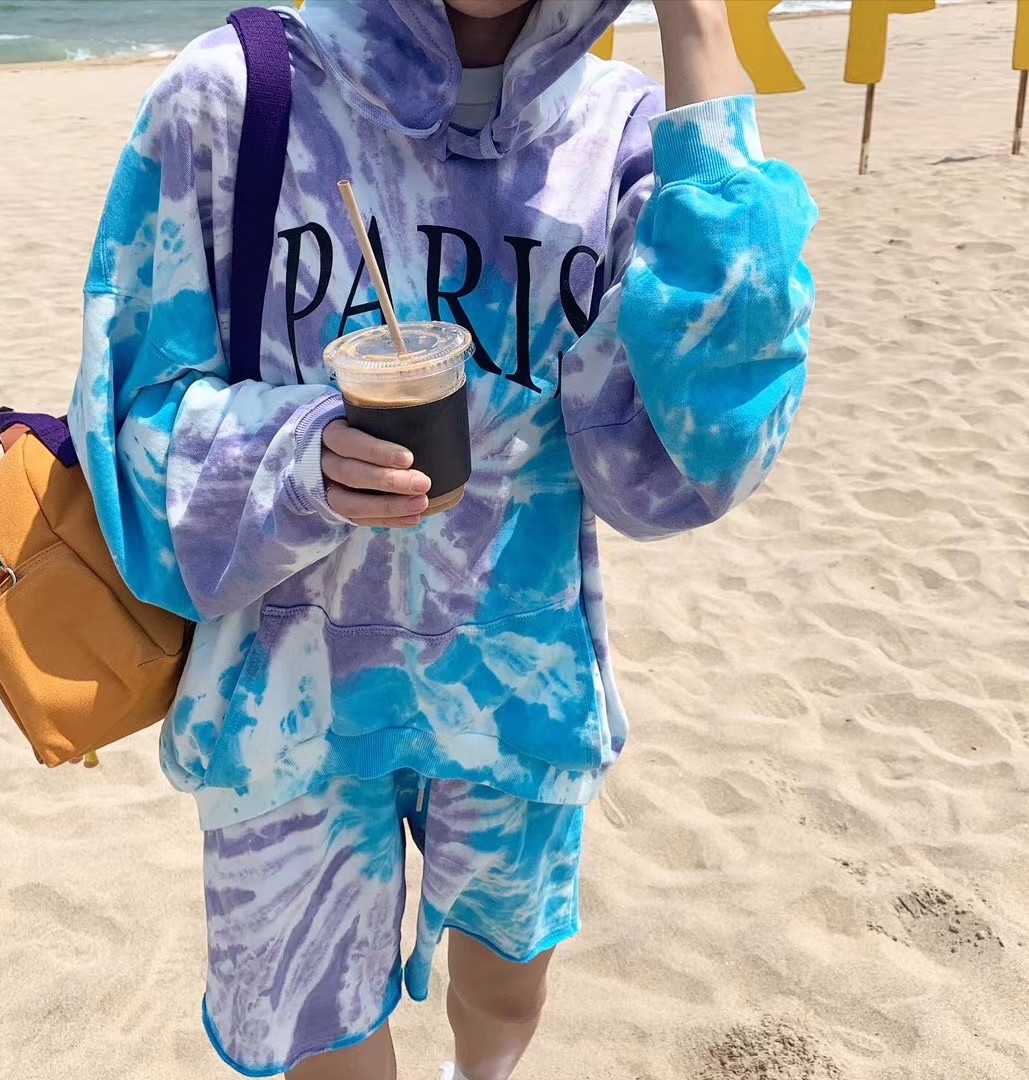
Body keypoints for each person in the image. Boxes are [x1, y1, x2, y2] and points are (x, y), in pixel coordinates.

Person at [67, 0, 816, 1077]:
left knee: (506, 992)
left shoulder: (624, 142)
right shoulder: (234, 98)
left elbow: (694, 458)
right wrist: (295, 459)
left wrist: (697, 27)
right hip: (287, 696)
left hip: (518, 685)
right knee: (323, 1038)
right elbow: (128, 424)